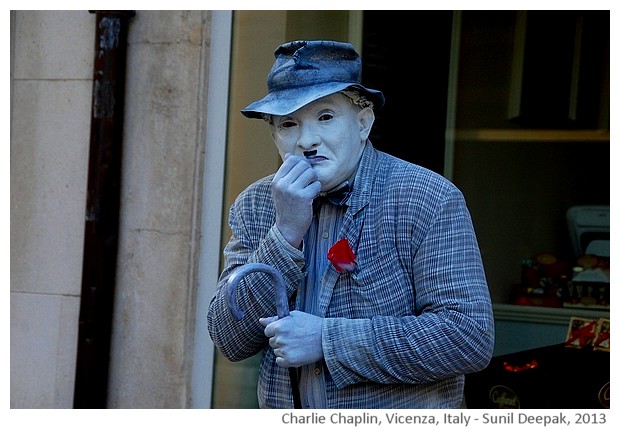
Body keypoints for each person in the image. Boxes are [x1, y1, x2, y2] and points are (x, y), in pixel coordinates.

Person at [207, 40, 494, 409]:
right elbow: (229, 339)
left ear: (363, 122)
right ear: (274, 134)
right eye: (289, 124)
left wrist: (327, 340)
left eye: (325, 117)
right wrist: (285, 233)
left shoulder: (428, 197)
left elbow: (467, 338)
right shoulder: (256, 204)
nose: (307, 141)